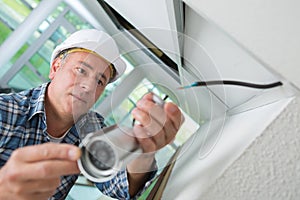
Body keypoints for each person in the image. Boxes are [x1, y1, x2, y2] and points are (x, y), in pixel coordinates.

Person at [0, 29, 183, 200]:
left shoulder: (93, 130)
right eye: (81, 71)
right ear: (55, 68)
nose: (88, 87)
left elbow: (122, 187)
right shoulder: (5, 111)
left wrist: (145, 149)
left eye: (100, 81)